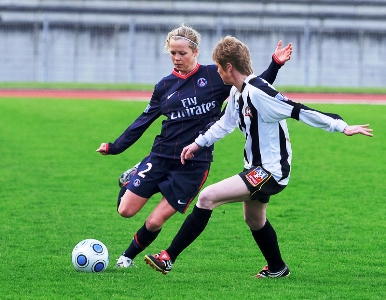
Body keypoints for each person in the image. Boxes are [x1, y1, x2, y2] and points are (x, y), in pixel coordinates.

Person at [144, 35, 373, 278]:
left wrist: (341, 126)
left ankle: (168, 257)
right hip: (255, 168)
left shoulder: (259, 92)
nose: (218, 73)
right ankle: (277, 268)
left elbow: (299, 110)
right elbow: (224, 124)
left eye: (220, 67)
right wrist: (197, 144)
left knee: (207, 197)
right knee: (254, 220)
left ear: (229, 67)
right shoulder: (237, 92)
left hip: (270, 171)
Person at [96, 24, 293, 268]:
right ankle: (132, 177)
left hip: (194, 164)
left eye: (182, 53)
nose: (177, 59)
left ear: (195, 52)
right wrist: (115, 147)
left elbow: (253, 88)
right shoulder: (164, 86)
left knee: (156, 221)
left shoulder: (215, 76)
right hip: (160, 156)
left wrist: (275, 64)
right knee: (125, 210)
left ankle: (126, 258)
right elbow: (142, 121)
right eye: (173, 53)